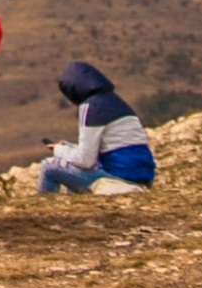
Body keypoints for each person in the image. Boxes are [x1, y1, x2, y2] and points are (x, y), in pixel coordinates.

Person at [38, 60, 157, 193]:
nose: (71, 103)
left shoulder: (91, 107)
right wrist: (68, 148)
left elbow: (86, 160)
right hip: (141, 179)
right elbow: (108, 149)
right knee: (72, 169)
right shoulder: (118, 103)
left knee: (48, 167)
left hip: (118, 180)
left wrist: (59, 150)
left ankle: (46, 205)